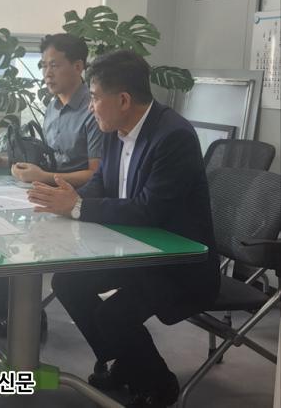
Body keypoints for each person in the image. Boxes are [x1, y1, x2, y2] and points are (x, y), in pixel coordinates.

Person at [28, 50, 220, 408]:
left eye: (95, 97)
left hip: (176, 263)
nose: (91, 107)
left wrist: (78, 207)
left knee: (113, 314)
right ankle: (127, 363)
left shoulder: (173, 136)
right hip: (133, 250)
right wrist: (67, 201)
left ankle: (160, 385)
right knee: (68, 283)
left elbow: (150, 209)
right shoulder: (115, 130)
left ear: (124, 100)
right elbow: (101, 184)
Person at [0, 34, 103, 336]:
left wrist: (44, 177)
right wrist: (6, 161)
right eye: (43, 66)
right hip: (47, 191)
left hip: (75, 201)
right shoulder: (53, 106)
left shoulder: (93, 110)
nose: (47, 73)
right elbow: (49, 159)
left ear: (78, 66)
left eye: (54, 65)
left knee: (17, 236)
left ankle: (30, 317)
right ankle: (2, 301)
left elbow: (96, 175)